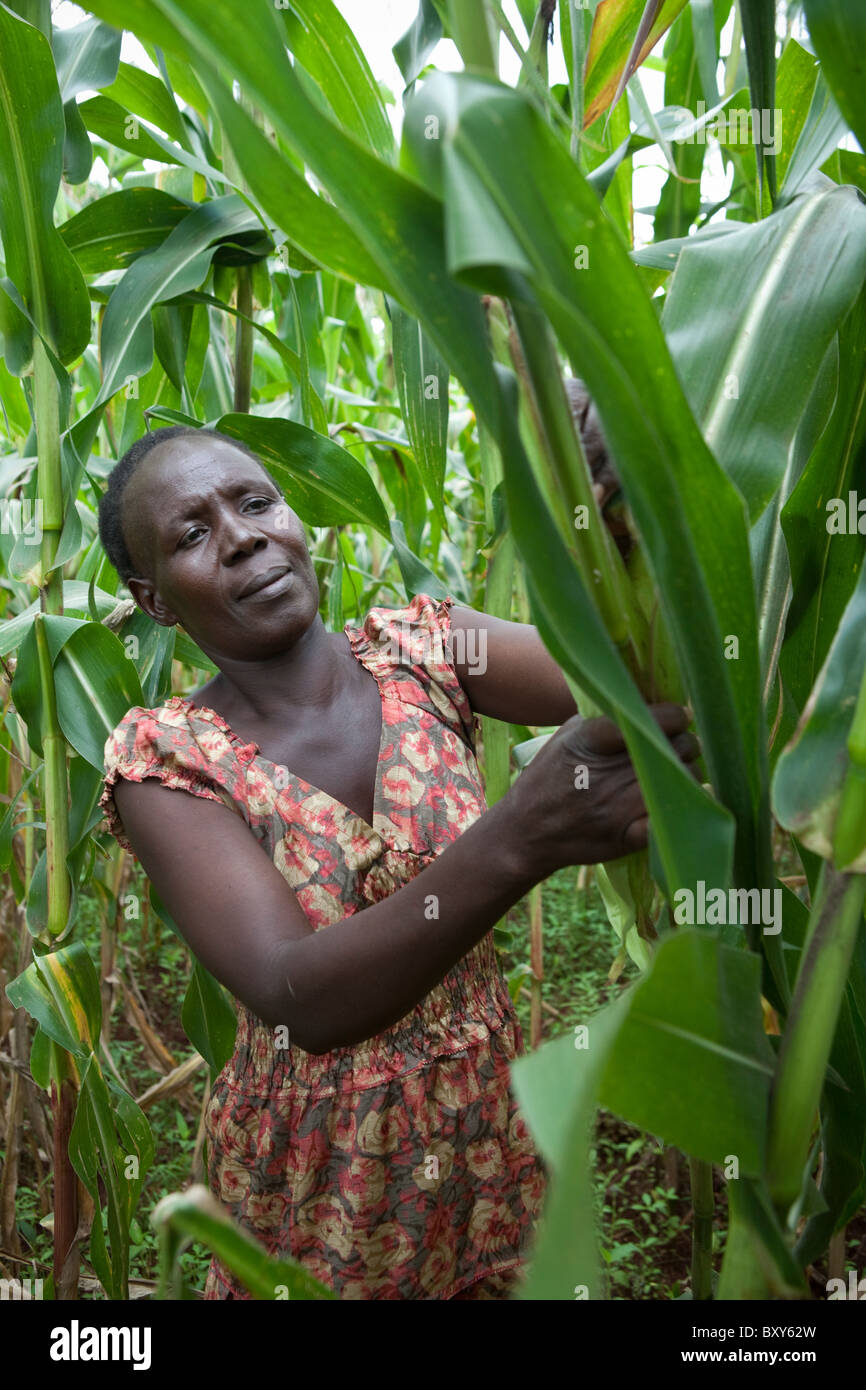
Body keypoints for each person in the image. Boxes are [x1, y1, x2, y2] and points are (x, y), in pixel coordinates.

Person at [96, 425, 699, 1300]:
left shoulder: (430, 651)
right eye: (192, 536)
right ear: (155, 601)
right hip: (316, 1173)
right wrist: (524, 834)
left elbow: (640, 682)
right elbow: (302, 996)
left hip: (487, 1130)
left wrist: (621, 507)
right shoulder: (167, 762)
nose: (242, 537)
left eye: (255, 502)